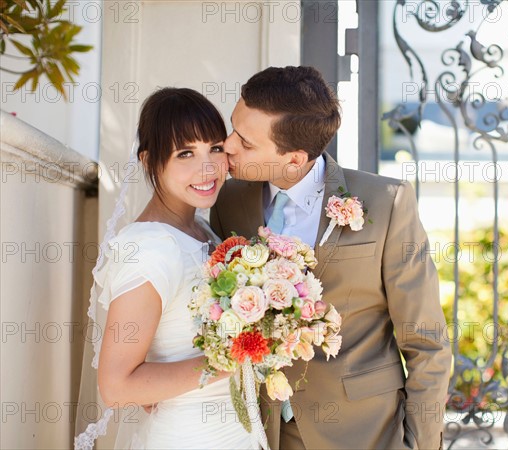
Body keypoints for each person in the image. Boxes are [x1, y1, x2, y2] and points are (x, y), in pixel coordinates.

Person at [210, 66, 452, 450]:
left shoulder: (387, 202)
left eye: (246, 141)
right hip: (262, 433)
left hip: (365, 431)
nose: (227, 145)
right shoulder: (227, 203)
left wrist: (420, 445)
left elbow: (426, 342)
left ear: (294, 158)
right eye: (232, 128)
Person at [75, 87, 252, 449]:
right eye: (185, 153)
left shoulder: (200, 229)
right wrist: (236, 359)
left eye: (215, 148)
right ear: (148, 161)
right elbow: (117, 386)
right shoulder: (149, 250)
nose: (207, 168)